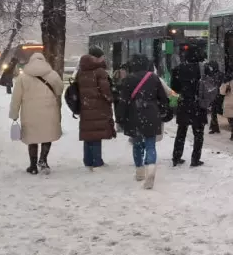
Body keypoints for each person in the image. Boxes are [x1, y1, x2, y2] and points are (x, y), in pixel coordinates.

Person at [116, 53, 169, 189]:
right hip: (151, 114)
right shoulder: (154, 78)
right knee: (150, 144)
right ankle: (150, 168)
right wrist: (163, 111)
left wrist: (120, 119)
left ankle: (139, 171)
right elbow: (163, 98)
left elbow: (123, 102)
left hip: (134, 115)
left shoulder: (128, 80)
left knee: (137, 144)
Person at [9, 53, 64, 175]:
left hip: (30, 112)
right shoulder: (52, 74)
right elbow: (60, 90)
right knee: (46, 136)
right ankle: (43, 160)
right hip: (49, 111)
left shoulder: (23, 77)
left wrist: (14, 113)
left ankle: (33, 166)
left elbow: (16, 97)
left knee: (32, 138)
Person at [170, 47, 209, 167]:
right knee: (198, 134)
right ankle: (195, 159)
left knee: (181, 131)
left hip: (184, 103)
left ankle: (176, 157)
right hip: (198, 104)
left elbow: (174, 88)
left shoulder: (177, 69)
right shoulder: (203, 69)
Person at [77, 47, 115, 170]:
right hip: (99, 107)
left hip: (85, 106)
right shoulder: (100, 72)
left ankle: (88, 160)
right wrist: (111, 97)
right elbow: (106, 91)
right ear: (97, 58)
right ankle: (97, 161)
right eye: (102, 56)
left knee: (88, 134)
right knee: (96, 135)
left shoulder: (81, 71)